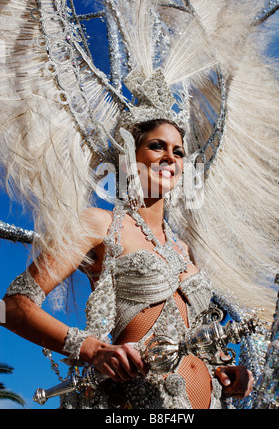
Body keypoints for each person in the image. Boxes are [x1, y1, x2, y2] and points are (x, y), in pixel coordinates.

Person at [2, 118, 254, 410]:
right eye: (156, 146)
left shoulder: (186, 249)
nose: (169, 157)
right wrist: (91, 349)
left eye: (179, 151)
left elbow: (200, 340)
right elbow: (10, 308)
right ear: (129, 160)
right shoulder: (100, 225)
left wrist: (227, 373)